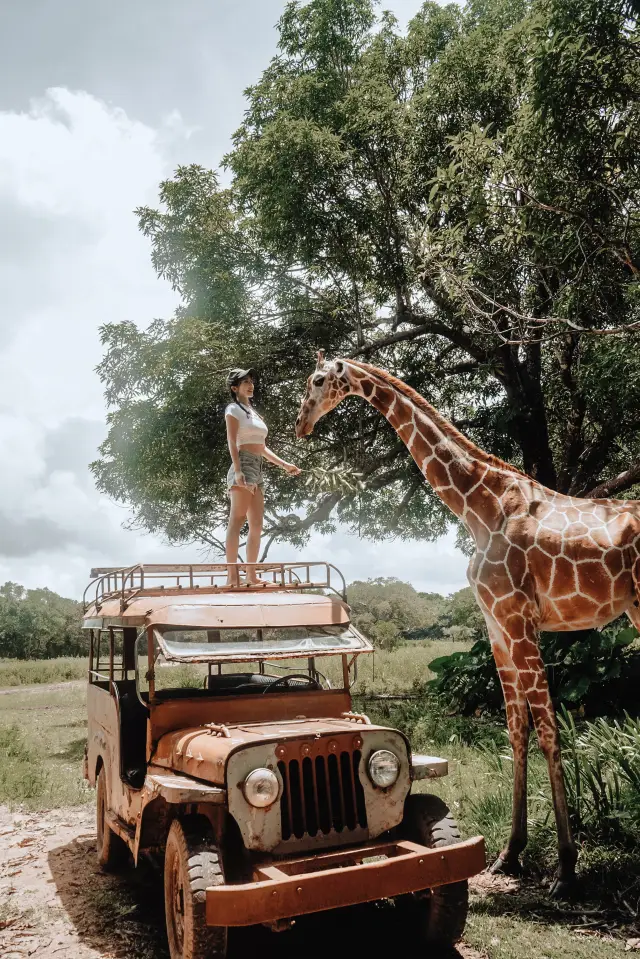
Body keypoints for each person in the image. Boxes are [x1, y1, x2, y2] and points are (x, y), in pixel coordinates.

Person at [224, 368, 301, 585]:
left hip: (257, 468)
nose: (250, 385)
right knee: (237, 521)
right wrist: (238, 470)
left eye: (251, 381)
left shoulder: (254, 413)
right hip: (244, 463)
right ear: (234, 388)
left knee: (257, 525)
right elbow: (232, 440)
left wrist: (285, 465)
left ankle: (251, 574)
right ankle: (232, 575)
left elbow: (263, 447)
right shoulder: (233, 409)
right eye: (244, 382)